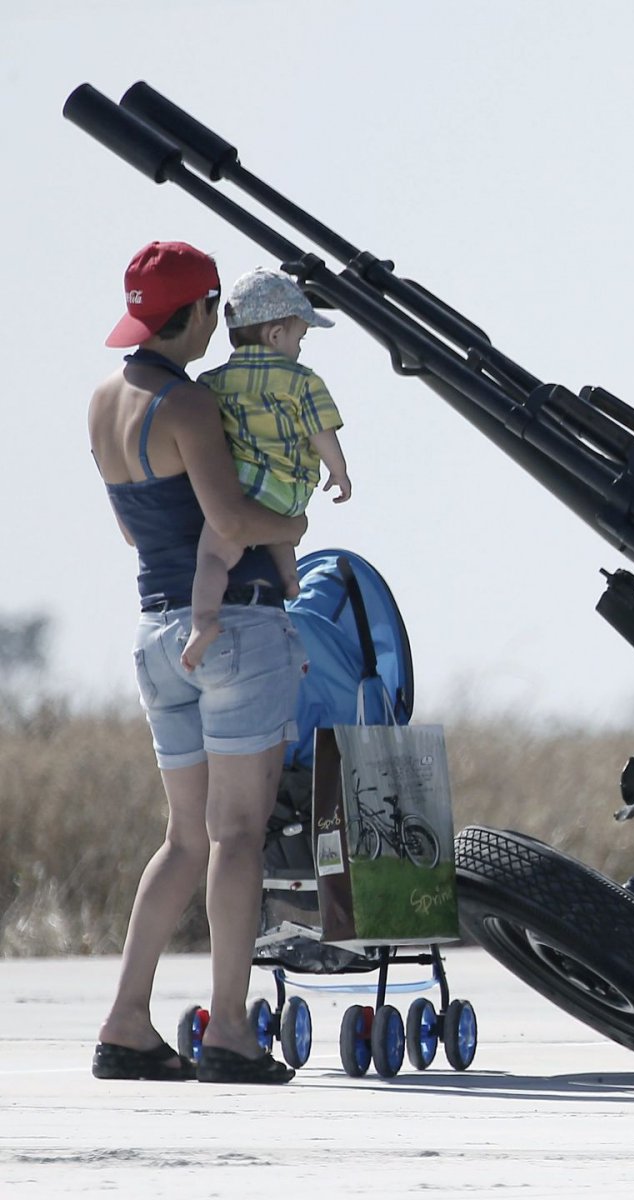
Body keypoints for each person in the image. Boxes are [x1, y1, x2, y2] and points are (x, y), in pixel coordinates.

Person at [89, 241, 309, 1084]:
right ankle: (230, 1033)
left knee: (183, 838)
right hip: (235, 630)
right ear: (205, 311)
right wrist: (293, 527)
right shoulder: (188, 404)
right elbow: (235, 519)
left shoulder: (104, 402)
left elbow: (134, 531)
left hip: (155, 630)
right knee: (238, 836)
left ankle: (126, 1022)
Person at [182, 268, 348, 670]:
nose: (300, 349)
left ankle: (203, 622)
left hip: (246, 490)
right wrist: (339, 472)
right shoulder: (303, 381)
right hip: (290, 492)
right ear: (276, 335)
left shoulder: (213, 381)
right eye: (299, 339)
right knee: (281, 532)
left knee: (213, 557)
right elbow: (320, 430)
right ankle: (290, 580)